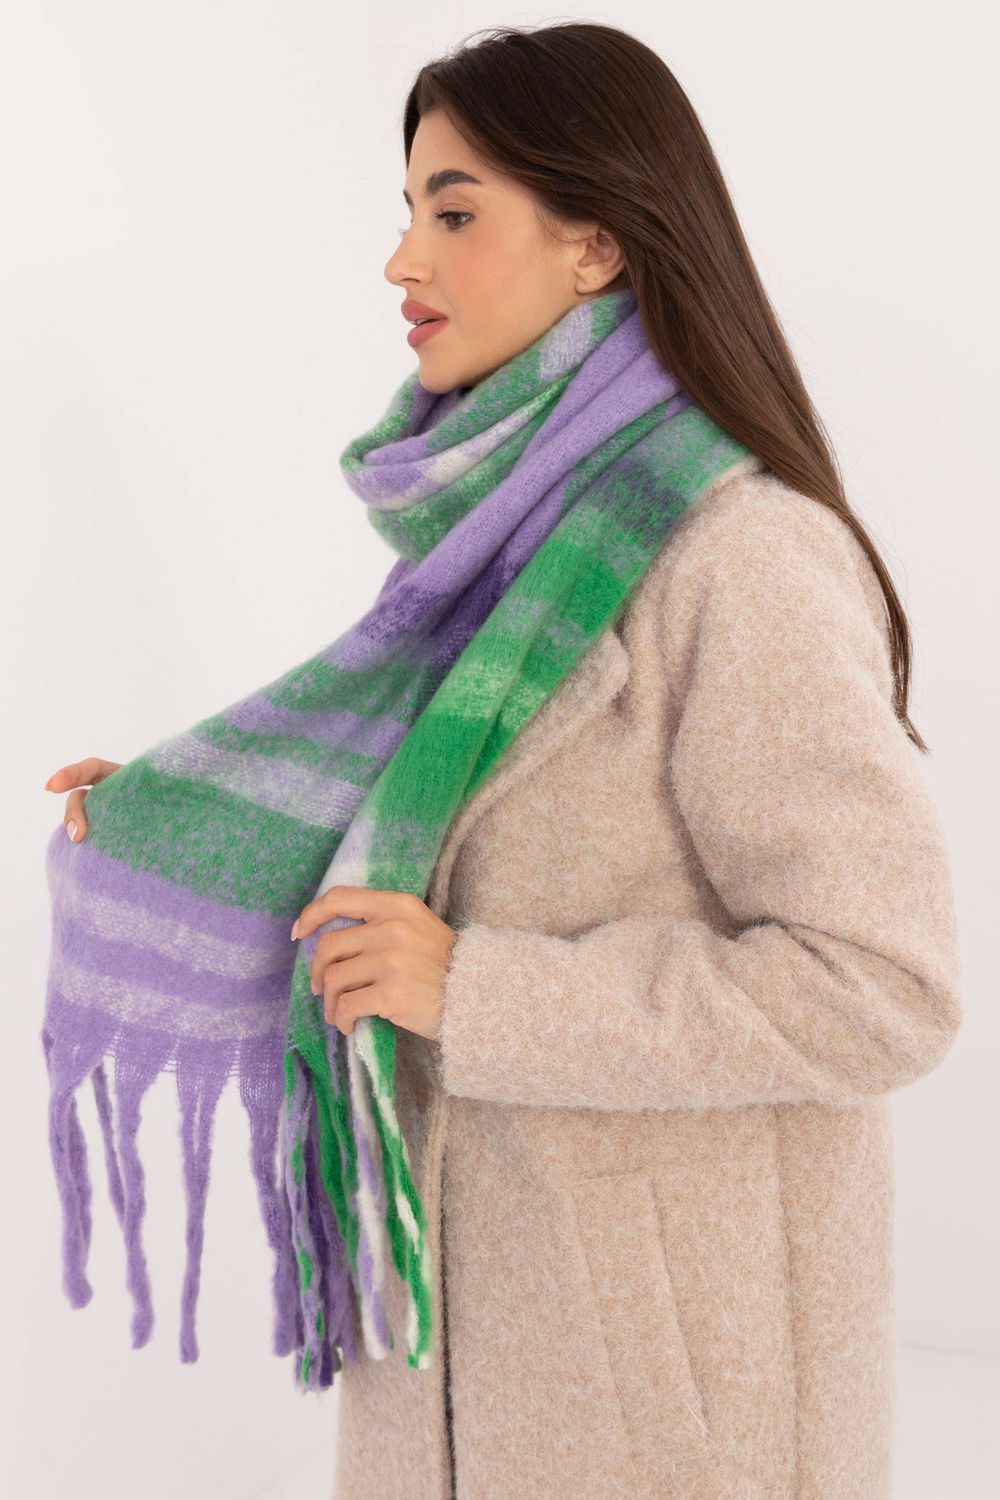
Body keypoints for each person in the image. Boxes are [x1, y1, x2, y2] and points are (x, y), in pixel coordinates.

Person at [44, 21, 963, 1500]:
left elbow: (884, 987)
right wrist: (184, 823)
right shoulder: (502, 563)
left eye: (454, 213)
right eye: (408, 211)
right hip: (463, 1353)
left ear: (596, 244)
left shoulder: (743, 558)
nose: (401, 262)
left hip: (672, 1409)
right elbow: (416, 853)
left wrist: (477, 994)